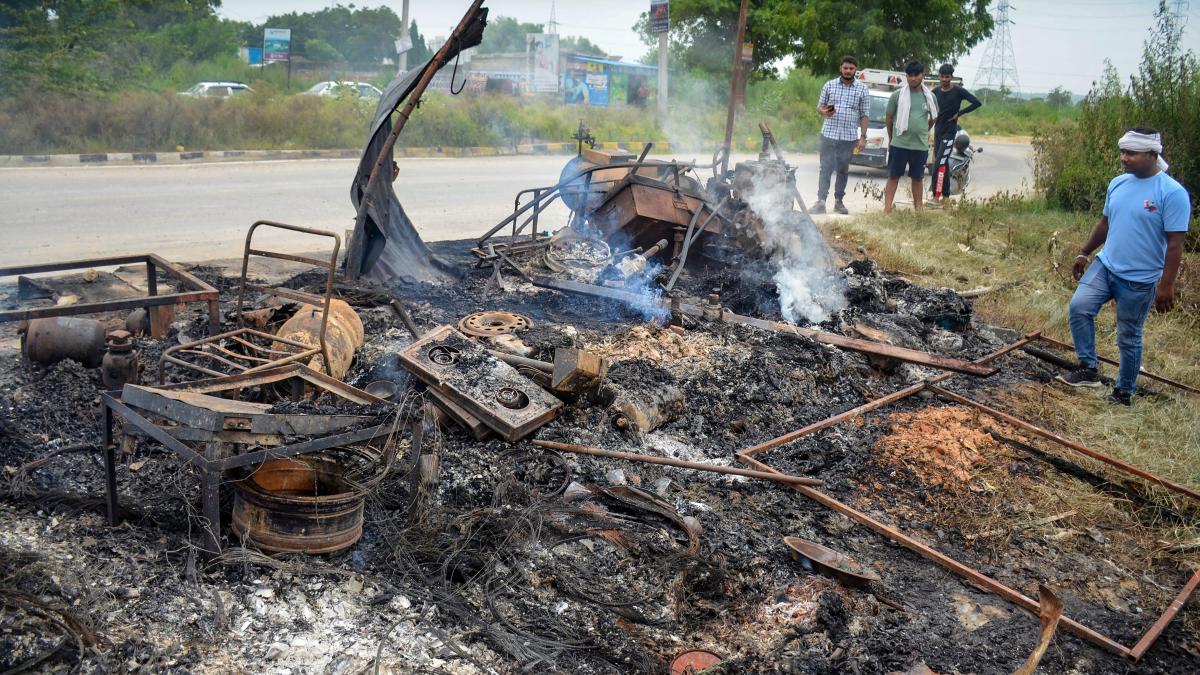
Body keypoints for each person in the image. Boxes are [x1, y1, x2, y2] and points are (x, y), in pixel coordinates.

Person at [1056, 128, 1190, 405]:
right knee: (1079, 307)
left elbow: (1175, 244)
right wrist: (1084, 253)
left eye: (1131, 153)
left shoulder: (1172, 193)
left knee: (1128, 336)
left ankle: (1123, 392)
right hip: (1106, 265)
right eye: (1123, 152)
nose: (1124, 158)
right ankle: (1088, 369)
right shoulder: (1118, 183)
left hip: (1140, 279)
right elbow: (1105, 223)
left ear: (1153, 155)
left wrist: (1166, 285)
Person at [812, 55, 869, 215]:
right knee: (825, 168)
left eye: (851, 68)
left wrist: (863, 137)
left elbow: (864, 114)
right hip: (828, 134)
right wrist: (823, 111)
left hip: (849, 137)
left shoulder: (862, 89)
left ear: (855, 70)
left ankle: (839, 202)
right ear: (840, 68)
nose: (848, 71)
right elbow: (819, 107)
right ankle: (821, 202)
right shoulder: (829, 85)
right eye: (846, 68)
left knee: (843, 170)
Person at [883, 62, 937, 213]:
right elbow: (888, 119)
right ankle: (887, 209)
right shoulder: (897, 95)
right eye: (909, 75)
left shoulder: (930, 97)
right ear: (906, 76)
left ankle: (918, 211)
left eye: (916, 75)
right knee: (893, 176)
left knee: (918, 178)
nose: (913, 78)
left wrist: (923, 131)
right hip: (899, 144)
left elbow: (934, 117)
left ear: (922, 75)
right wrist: (892, 138)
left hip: (920, 146)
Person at [929, 64, 981, 204]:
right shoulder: (935, 92)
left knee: (939, 164)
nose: (944, 79)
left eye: (947, 77)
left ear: (951, 77)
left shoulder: (958, 91)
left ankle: (936, 196)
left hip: (949, 133)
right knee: (942, 164)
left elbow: (977, 103)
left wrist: (960, 113)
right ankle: (945, 197)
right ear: (939, 76)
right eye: (942, 76)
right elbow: (930, 110)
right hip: (937, 132)